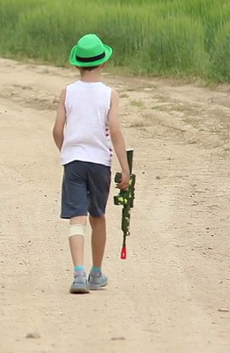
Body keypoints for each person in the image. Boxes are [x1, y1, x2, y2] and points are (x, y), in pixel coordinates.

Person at [52, 33, 130, 294]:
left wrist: (68, 151)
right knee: (98, 216)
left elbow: (57, 130)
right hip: (99, 163)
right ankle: (96, 274)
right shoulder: (110, 94)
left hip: (74, 161)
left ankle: (78, 274)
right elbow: (115, 132)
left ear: (76, 64)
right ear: (104, 63)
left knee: (77, 217)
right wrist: (126, 169)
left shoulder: (67, 92)